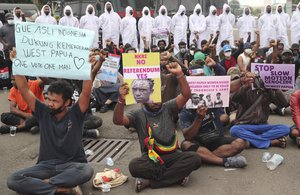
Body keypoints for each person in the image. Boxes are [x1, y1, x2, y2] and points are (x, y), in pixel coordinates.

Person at [6, 50, 106, 195]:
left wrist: (87, 67)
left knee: (86, 170)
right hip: (45, 166)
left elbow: (85, 92)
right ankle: (62, 188)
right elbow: (24, 89)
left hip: (72, 166)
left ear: (67, 102)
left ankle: (43, 185)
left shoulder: (76, 113)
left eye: (55, 101)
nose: (50, 104)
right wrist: (16, 63)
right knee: (13, 179)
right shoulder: (42, 111)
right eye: (48, 99)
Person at [113, 61, 201, 192]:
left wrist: (180, 74)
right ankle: (177, 176)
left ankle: (150, 181)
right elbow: (118, 120)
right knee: (134, 167)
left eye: (157, 97)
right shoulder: (137, 114)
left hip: (173, 155)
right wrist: (121, 99)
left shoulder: (168, 107)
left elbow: (186, 95)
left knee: (195, 159)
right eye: (151, 99)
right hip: (151, 158)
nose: (155, 102)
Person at [230, 72, 290, 149]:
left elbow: (284, 103)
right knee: (234, 130)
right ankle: (269, 142)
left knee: (285, 129)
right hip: (245, 125)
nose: (257, 80)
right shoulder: (245, 88)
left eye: (259, 78)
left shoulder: (268, 90)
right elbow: (233, 100)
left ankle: (252, 140)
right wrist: (245, 87)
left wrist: (277, 89)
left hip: (263, 125)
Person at [180, 104, 247, 168]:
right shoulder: (186, 111)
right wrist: (199, 118)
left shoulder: (214, 104)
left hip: (216, 139)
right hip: (198, 142)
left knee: (240, 143)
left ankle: (206, 158)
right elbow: (188, 137)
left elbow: (225, 118)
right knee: (186, 145)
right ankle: (223, 161)